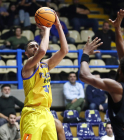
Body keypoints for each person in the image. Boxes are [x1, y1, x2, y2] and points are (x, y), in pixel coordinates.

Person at [79, 9, 124, 139]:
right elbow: (123, 56)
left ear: (121, 70)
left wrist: (85, 54)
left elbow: (84, 76)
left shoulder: (117, 87)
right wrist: (117, 28)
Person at [20, 11, 68, 140]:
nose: (35, 47)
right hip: (32, 113)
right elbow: (42, 51)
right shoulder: (27, 66)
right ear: (26, 53)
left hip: (47, 113)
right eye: (32, 46)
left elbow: (64, 51)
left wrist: (58, 26)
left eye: (36, 45)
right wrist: (47, 29)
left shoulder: (45, 65)